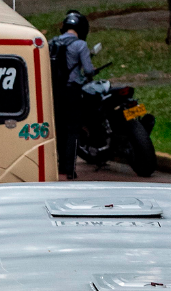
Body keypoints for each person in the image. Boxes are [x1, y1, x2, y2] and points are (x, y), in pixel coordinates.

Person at [51, 10, 96, 180]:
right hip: (72, 92)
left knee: (59, 129)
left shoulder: (51, 43)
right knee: (72, 131)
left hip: (55, 92)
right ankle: (69, 168)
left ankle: (57, 166)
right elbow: (89, 69)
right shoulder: (80, 45)